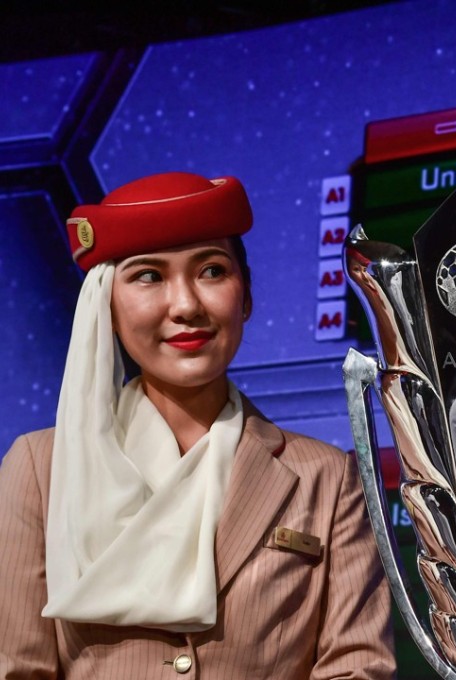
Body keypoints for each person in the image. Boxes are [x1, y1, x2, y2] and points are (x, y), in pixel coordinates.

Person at [0, 172, 396, 679]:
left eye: (211, 270)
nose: (186, 305)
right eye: (149, 276)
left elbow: (356, 668)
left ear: (246, 297)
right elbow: (17, 670)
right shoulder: (40, 469)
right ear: (108, 310)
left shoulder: (327, 479)